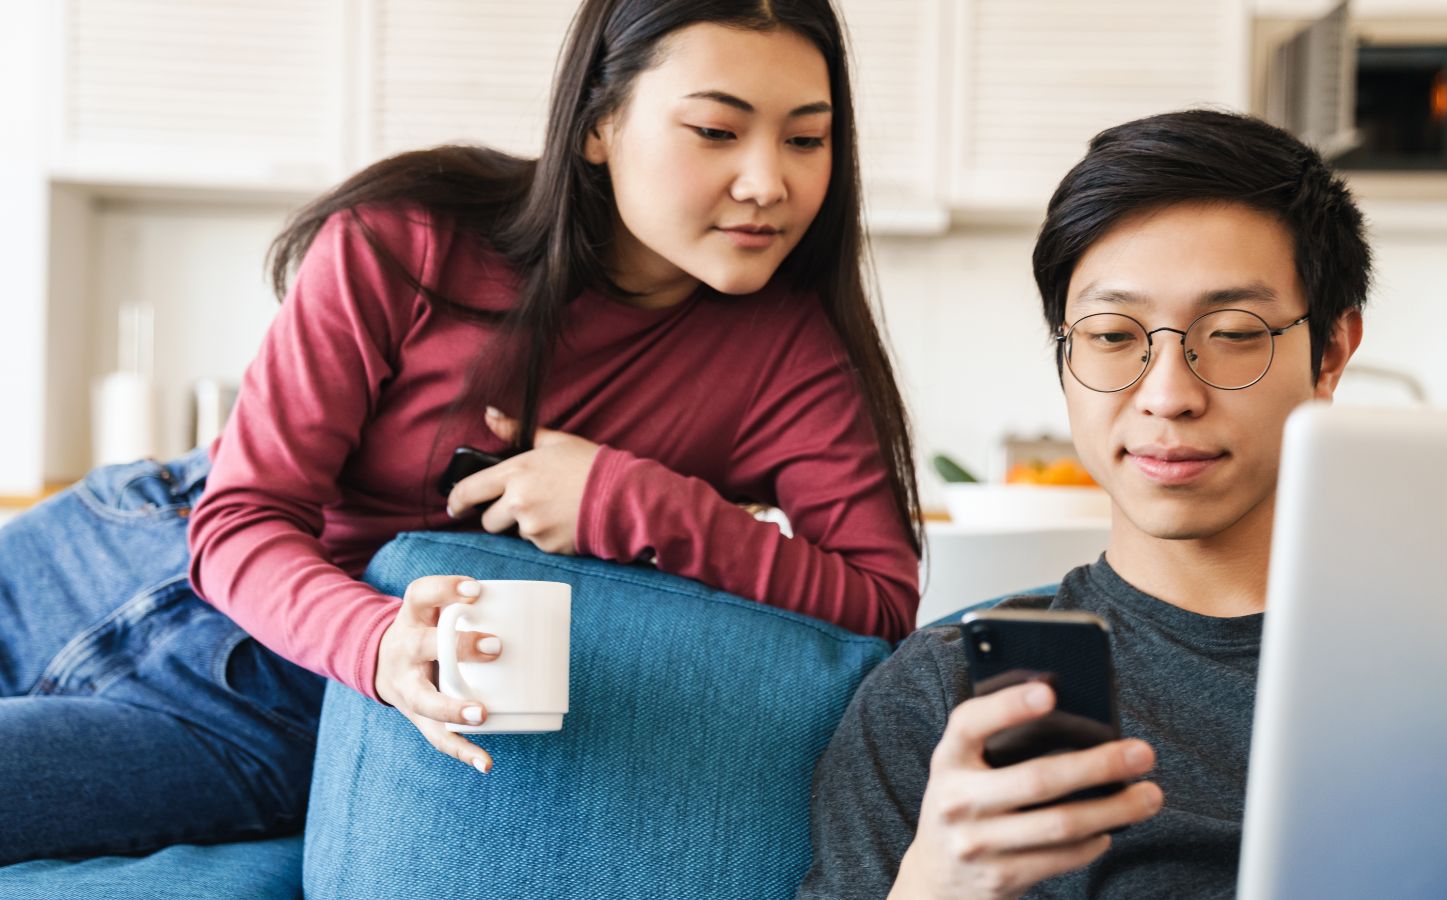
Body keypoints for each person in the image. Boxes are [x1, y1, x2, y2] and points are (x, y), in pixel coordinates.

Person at [0, 0, 922, 865]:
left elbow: (880, 605)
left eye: (808, 138)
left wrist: (625, 500)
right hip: (130, 549)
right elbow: (243, 515)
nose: (769, 181)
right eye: (717, 131)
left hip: (293, 701)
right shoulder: (409, 238)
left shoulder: (792, 353)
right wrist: (375, 639)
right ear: (600, 124)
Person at [797, 109, 1370, 900]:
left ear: (1331, 351)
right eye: (1112, 335)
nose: (1167, 395)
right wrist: (935, 885)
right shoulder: (943, 695)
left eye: (1234, 332)